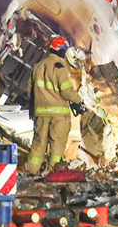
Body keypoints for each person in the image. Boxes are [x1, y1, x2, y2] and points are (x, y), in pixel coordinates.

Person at [26, 36, 85, 175]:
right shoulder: (60, 67)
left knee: (38, 146)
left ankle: (31, 172)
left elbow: (30, 91)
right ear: (62, 51)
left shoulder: (38, 66)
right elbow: (66, 91)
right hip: (58, 116)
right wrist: (79, 101)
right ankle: (53, 174)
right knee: (57, 148)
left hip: (40, 114)